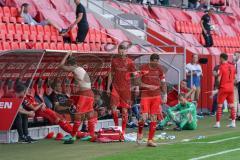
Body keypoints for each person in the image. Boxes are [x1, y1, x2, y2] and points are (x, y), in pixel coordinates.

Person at [59, 52, 96, 143]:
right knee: (89, 114)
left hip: (85, 94)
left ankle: (73, 136)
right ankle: (91, 135)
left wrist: (66, 55)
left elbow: (61, 65)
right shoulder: (80, 68)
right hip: (90, 93)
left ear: (70, 64)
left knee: (78, 115)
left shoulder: (74, 68)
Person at [137, 53, 167, 147]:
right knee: (144, 117)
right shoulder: (143, 67)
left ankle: (150, 140)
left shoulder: (160, 69)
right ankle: (140, 132)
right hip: (145, 96)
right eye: (154, 62)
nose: (155, 64)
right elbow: (137, 81)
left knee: (154, 117)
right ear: (150, 60)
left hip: (156, 96)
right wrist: (147, 86)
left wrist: (165, 94)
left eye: (157, 62)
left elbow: (163, 83)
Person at [107, 44, 137, 135]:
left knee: (124, 110)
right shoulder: (114, 61)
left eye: (123, 51)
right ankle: (117, 127)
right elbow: (111, 74)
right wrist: (108, 87)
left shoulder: (130, 62)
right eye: (120, 51)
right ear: (118, 51)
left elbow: (135, 74)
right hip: (115, 88)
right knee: (113, 109)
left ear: (126, 51)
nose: (121, 53)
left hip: (126, 89)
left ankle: (123, 130)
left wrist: (136, 86)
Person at [214, 53, 236, 128]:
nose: (219, 60)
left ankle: (218, 123)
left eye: (220, 58)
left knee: (219, 106)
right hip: (231, 88)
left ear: (222, 58)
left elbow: (218, 79)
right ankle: (233, 122)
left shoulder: (221, 67)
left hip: (223, 88)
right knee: (232, 105)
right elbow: (235, 78)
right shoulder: (233, 67)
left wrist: (217, 87)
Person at [233, 51, 240, 120]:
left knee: (237, 99)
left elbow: (237, 74)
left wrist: (235, 81)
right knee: (237, 99)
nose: (234, 56)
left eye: (235, 55)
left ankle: (238, 114)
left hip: (238, 82)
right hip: (237, 82)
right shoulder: (236, 64)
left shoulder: (238, 63)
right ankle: (237, 114)